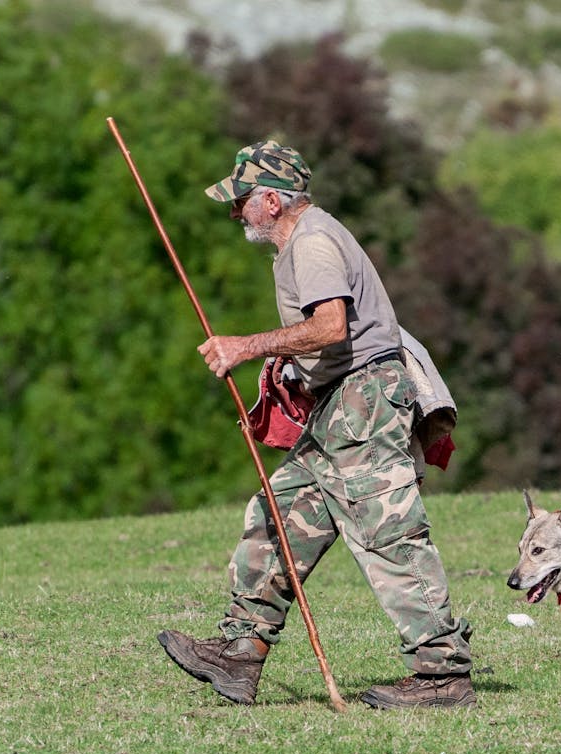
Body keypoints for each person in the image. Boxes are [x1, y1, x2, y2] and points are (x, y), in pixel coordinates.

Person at [158, 140, 475, 709]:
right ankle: (240, 655)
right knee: (277, 514)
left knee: (387, 531)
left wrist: (247, 347)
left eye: (243, 200)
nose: (236, 212)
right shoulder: (303, 242)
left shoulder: (314, 242)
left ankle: (441, 674)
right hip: (340, 406)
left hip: (364, 403)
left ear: (274, 201)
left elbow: (331, 327)